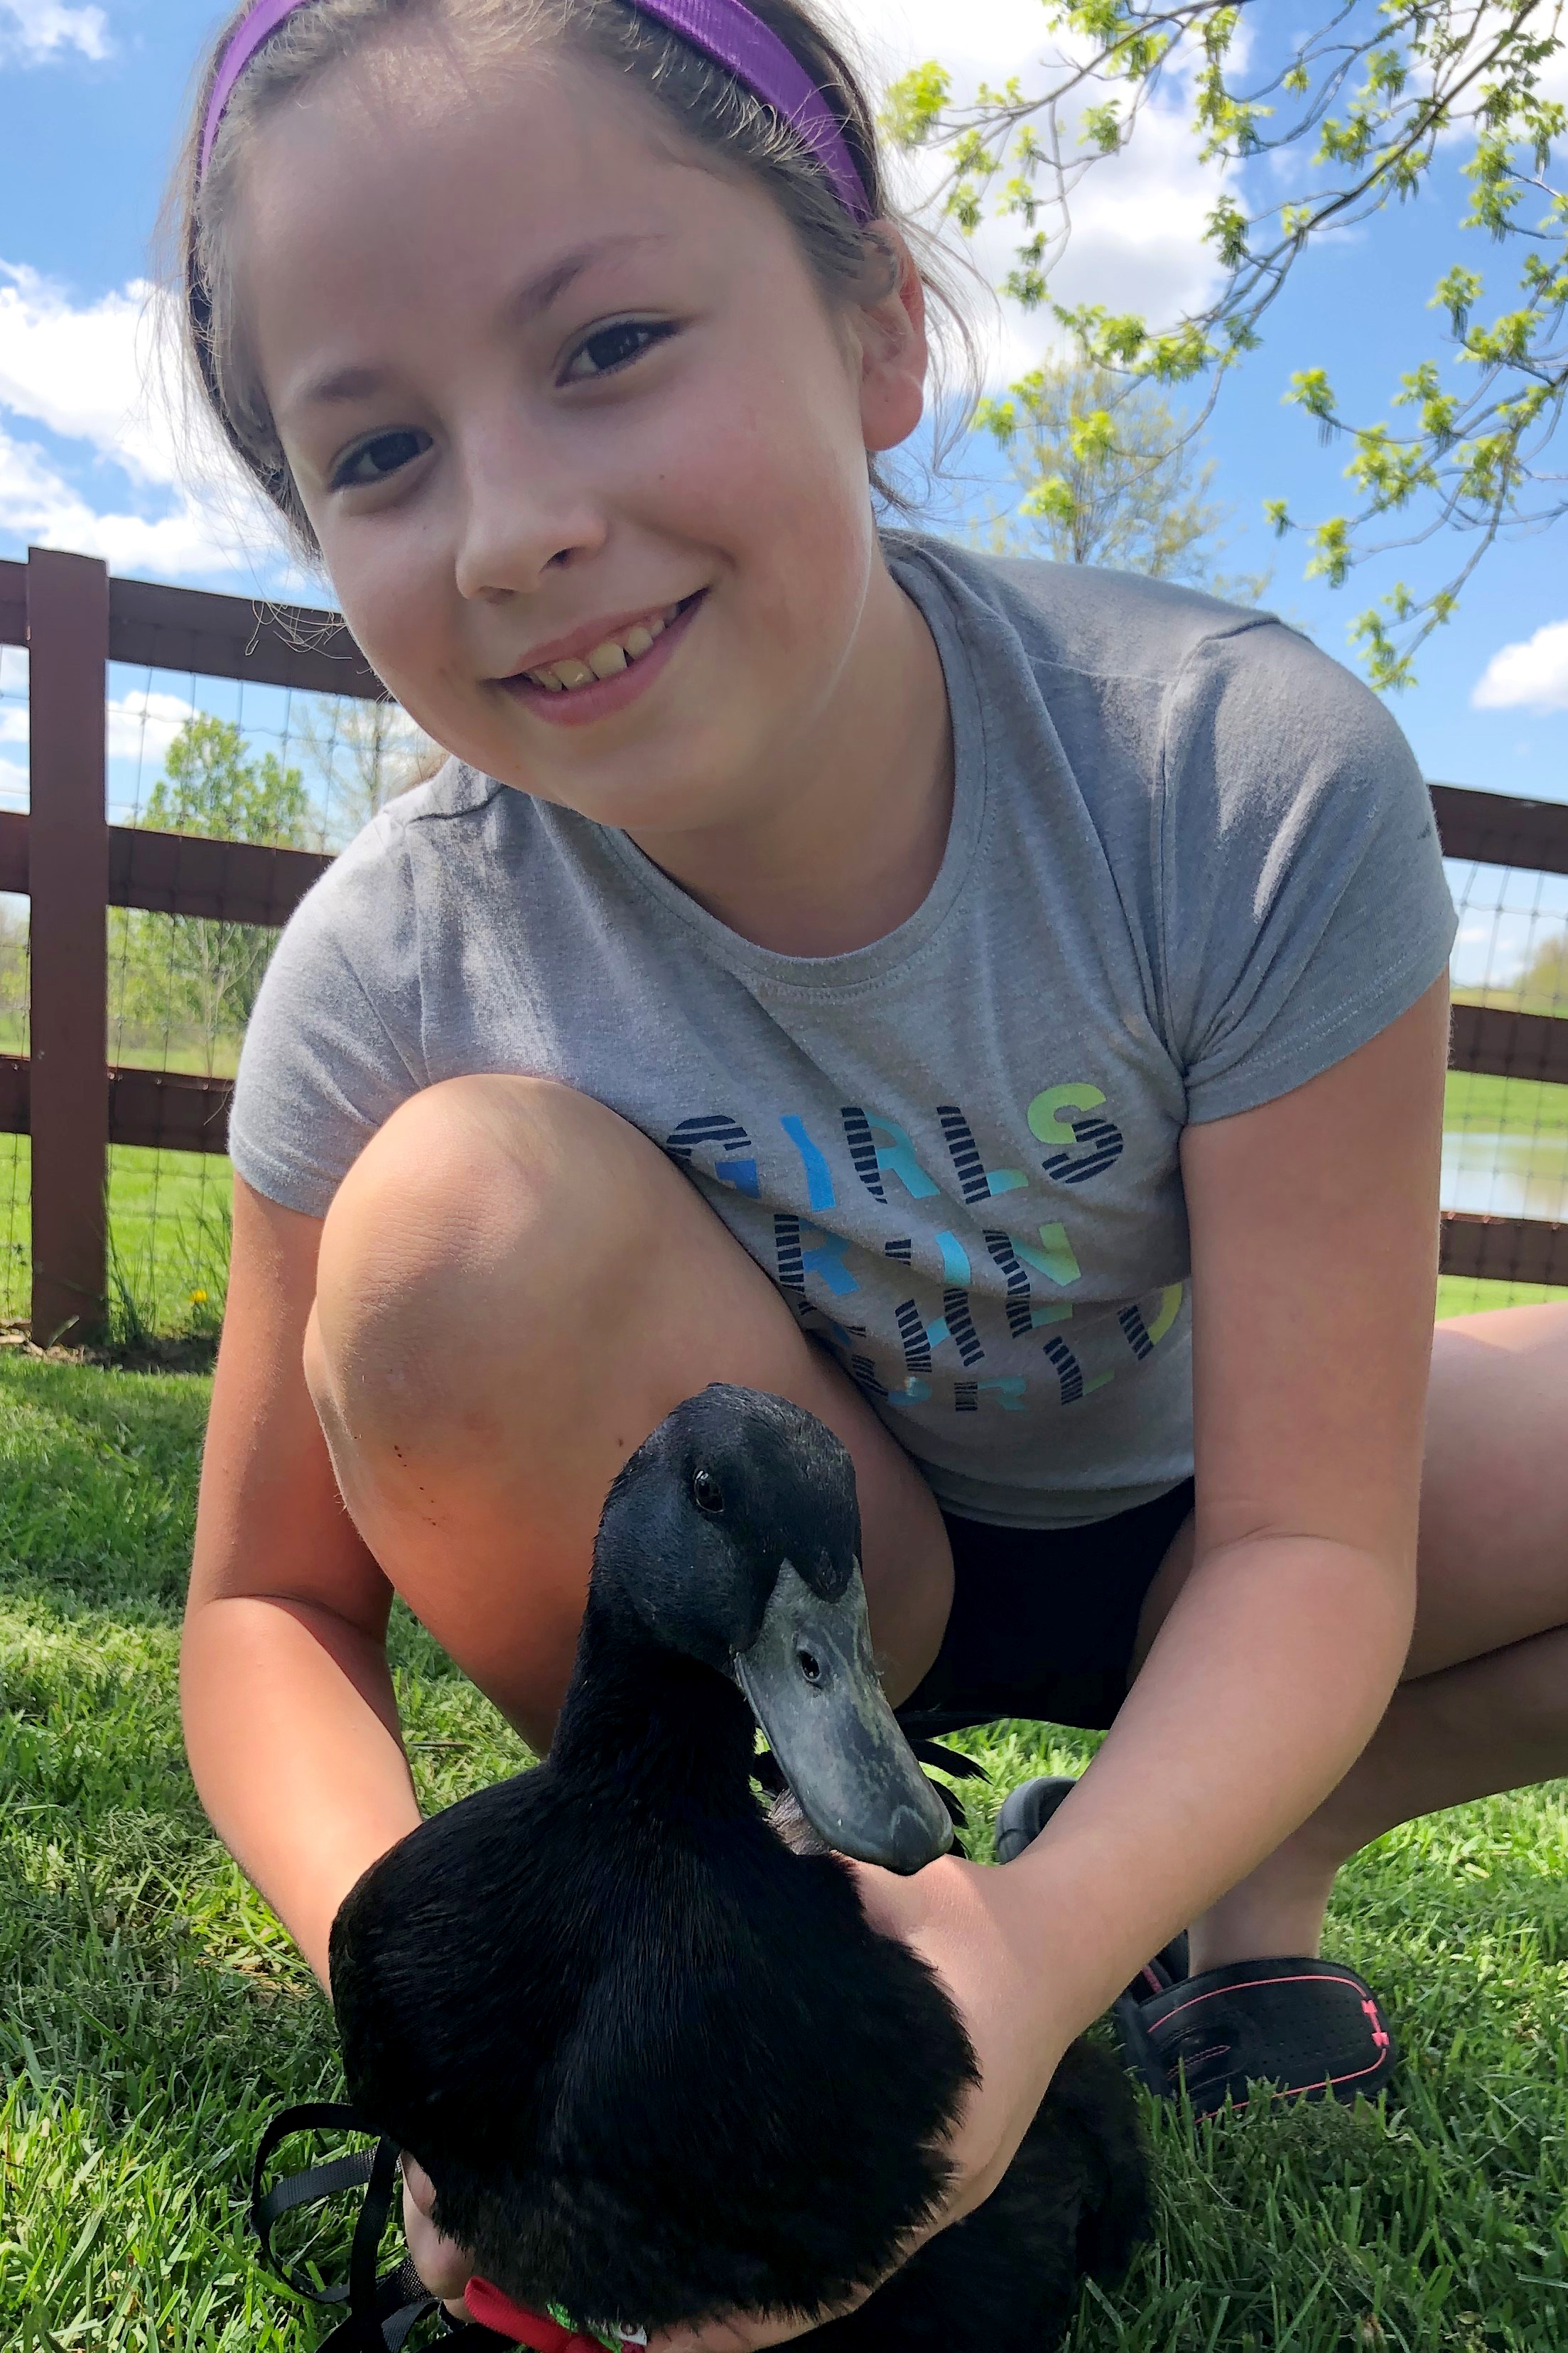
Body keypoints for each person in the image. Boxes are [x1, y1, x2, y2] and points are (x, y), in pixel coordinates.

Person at [175, 0, 1568, 2340]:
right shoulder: (394, 968)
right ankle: (718, 1888)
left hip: (1201, 1514)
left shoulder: (1238, 776)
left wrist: (1038, 1955)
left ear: (881, 331)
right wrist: (454, 2010)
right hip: (819, 1579)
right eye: (382, 450)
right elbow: (265, 1614)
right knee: (447, 1234)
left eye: (609, 344)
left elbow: (1312, 1540)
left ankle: (1239, 1857)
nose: (516, 528)